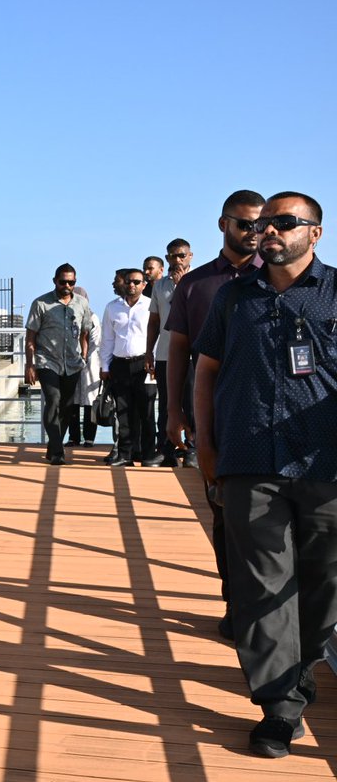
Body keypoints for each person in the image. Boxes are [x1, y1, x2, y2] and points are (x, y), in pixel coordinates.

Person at [194, 191, 328, 759]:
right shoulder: (233, 297)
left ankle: (306, 661)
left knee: (326, 581)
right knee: (261, 585)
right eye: (264, 223)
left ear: (314, 233)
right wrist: (204, 444)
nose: (268, 231)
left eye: (284, 222)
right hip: (250, 456)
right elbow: (207, 371)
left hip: (328, 461)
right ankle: (278, 706)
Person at [166, 190, 264, 639]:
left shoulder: (278, 279)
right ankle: (235, 602)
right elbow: (179, 352)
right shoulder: (197, 284)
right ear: (223, 224)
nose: (253, 233)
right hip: (215, 418)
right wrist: (174, 412)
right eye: (243, 224)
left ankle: (268, 611)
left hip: (268, 418)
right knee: (223, 514)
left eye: (260, 225)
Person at [24, 263, 92, 464]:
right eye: (63, 281)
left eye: (71, 282)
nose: (67, 285)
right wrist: (30, 364)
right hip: (48, 361)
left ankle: (53, 445)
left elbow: (85, 332)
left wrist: (84, 357)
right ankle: (57, 453)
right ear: (55, 281)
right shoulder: (41, 304)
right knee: (53, 400)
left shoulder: (81, 304)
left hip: (72, 363)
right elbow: (30, 336)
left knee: (67, 407)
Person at [100, 269, 157, 466]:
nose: (131, 285)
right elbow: (107, 338)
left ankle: (149, 455)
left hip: (145, 365)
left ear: (144, 284)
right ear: (122, 284)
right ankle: (125, 455)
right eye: (128, 281)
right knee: (123, 412)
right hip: (120, 364)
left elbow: (156, 336)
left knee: (147, 412)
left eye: (136, 281)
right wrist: (104, 366)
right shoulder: (112, 308)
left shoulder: (151, 306)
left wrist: (155, 363)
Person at [145, 239, 192, 466]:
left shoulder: (198, 282)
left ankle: (192, 449)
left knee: (192, 403)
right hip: (165, 353)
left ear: (190, 256)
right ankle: (166, 449)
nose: (177, 260)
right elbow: (154, 321)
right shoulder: (159, 286)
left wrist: (183, 285)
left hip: (193, 354)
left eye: (181, 255)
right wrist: (148, 352)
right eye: (172, 256)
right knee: (166, 402)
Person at [66, 287, 101, 447]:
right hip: (72, 362)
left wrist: (83, 356)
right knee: (72, 401)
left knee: (89, 402)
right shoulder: (69, 316)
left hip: (90, 364)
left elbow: (96, 341)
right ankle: (73, 437)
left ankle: (89, 438)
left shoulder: (93, 317)